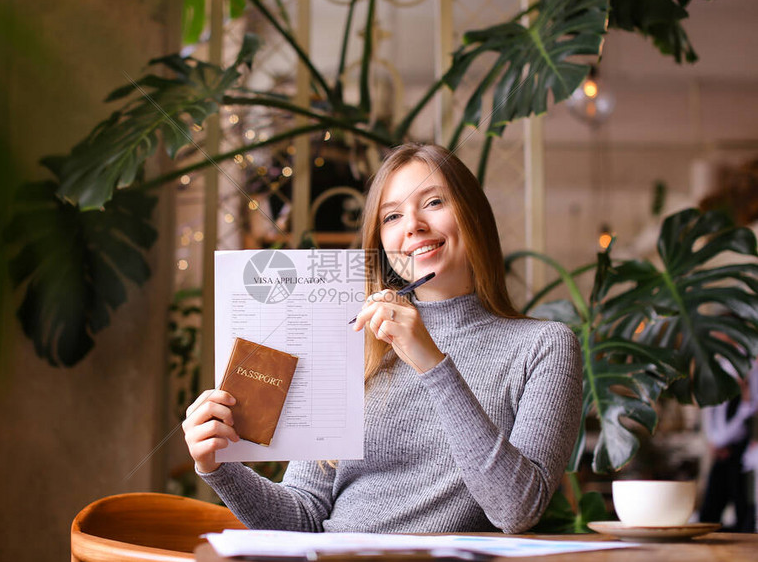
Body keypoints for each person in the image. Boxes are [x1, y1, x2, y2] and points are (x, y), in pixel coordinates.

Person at [182, 143, 583, 534]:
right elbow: (303, 515)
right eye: (392, 216)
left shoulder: (543, 346)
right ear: (381, 241)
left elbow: (517, 510)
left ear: (473, 214)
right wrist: (218, 466)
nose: (412, 225)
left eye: (433, 202)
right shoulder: (352, 340)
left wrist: (433, 363)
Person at [699, 358, 758, 532]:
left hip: (740, 455)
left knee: (744, 510)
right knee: (710, 510)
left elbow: (740, 423)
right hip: (722, 455)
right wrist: (714, 443)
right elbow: (715, 427)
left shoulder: (744, 398)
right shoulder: (721, 398)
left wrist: (746, 402)